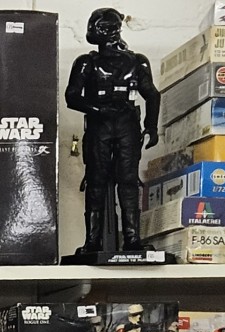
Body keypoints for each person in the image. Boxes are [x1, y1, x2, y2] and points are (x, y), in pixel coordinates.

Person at [65, 8, 160, 254]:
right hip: (100, 126)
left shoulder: (137, 62)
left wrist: (151, 126)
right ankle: (93, 241)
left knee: (128, 181)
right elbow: (71, 97)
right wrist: (98, 109)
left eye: (100, 27)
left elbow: (152, 94)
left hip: (127, 124)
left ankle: (132, 239)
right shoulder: (86, 63)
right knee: (96, 181)